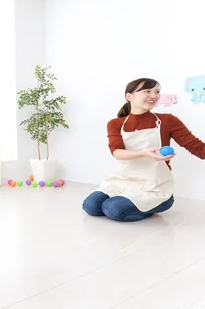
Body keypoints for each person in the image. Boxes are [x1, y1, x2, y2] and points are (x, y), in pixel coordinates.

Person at [83, 78, 205, 222]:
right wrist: (145, 153)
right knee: (91, 206)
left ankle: (157, 204)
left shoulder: (167, 120)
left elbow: (197, 147)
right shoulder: (116, 124)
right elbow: (117, 153)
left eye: (157, 92)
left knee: (113, 209)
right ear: (129, 97)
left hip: (154, 186)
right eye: (147, 91)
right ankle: (133, 203)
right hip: (124, 180)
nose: (153, 95)